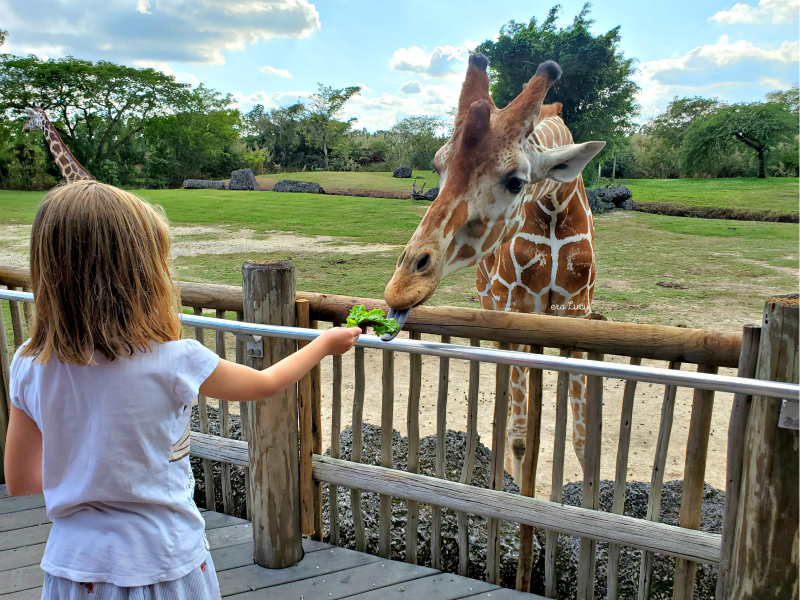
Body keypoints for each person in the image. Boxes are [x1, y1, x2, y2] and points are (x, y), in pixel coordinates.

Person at [3, 180, 361, 599]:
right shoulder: (175, 361)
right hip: (164, 563)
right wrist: (323, 343)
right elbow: (265, 384)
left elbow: (21, 479)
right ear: (140, 272)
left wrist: (88, 470)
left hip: (73, 569)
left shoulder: (29, 363)